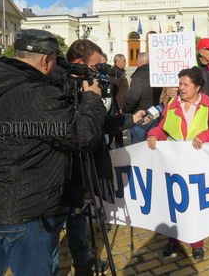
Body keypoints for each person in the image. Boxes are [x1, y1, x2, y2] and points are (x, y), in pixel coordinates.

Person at [0, 29, 105, 276]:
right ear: (46, 60)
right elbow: (82, 136)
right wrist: (91, 99)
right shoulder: (36, 93)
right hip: (22, 209)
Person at [65, 39, 147, 276]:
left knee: (80, 214)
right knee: (66, 217)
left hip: (86, 165)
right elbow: (78, 132)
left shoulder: (91, 86)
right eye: (97, 66)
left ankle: (82, 263)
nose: (101, 72)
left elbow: (98, 124)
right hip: (64, 168)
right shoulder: (60, 89)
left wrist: (130, 119)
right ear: (79, 63)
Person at [146, 67, 209, 259]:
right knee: (175, 203)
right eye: (180, 84)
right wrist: (153, 134)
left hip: (199, 165)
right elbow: (163, 129)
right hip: (174, 164)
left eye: (185, 84)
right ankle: (174, 240)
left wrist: (205, 136)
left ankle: (196, 242)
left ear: (197, 87)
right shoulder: (172, 104)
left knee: (194, 204)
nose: (181, 88)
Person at [124, 52, 162, 143]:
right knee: (151, 143)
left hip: (141, 115)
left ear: (139, 61)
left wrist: (127, 110)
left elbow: (134, 97)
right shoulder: (157, 74)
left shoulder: (139, 75)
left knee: (138, 146)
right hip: (155, 113)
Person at [108, 54, 130, 148]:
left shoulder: (120, 72)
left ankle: (118, 146)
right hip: (117, 107)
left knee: (118, 129)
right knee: (115, 129)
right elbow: (114, 92)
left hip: (120, 106)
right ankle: (112, 146)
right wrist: (118, 107)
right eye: (124, 61)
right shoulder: (115, 73)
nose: (125, 63)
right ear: (117, 62)